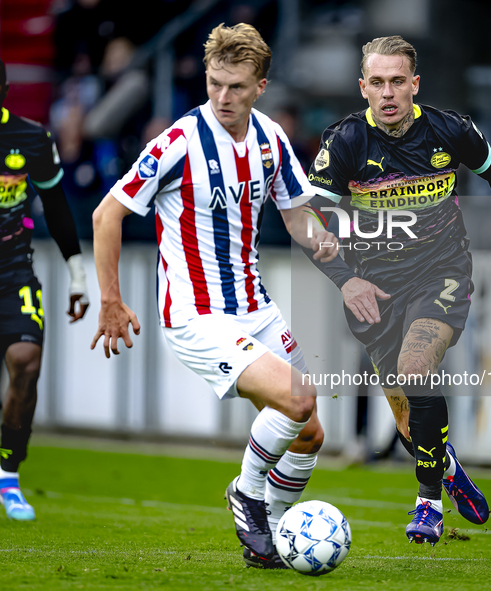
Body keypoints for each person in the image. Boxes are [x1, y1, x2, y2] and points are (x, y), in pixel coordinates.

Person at [91, 23, 337, 568]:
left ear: (261, 86)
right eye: (214, 83)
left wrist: (324, 242)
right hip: (197, 314)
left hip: (255, 306)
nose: (223, 97)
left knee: (310, 432)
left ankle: (269, 541)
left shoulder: (270, 138)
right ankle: (247, 494)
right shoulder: (177, 143)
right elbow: (106, 214)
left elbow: (295, 211)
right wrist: (110, 298)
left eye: (237, 87)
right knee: (295, 399)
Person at [305, 35, 491, 545]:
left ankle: (427, 505)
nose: (388, 93)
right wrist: (346, 281)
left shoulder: (449, 130)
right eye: (377, 82)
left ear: (415, 84)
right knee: (413, 427)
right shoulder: (345, 143)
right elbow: (309, 222)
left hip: (442, 273)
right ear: (362, 87)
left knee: (416, 368)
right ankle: (447, 467)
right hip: (375, 289)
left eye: (397, 81)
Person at [0, 60, 90, 520]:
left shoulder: (31, 138)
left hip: (13, 271)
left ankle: (8, 475)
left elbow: (54, 205)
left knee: (25, 360)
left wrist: (77, 272)